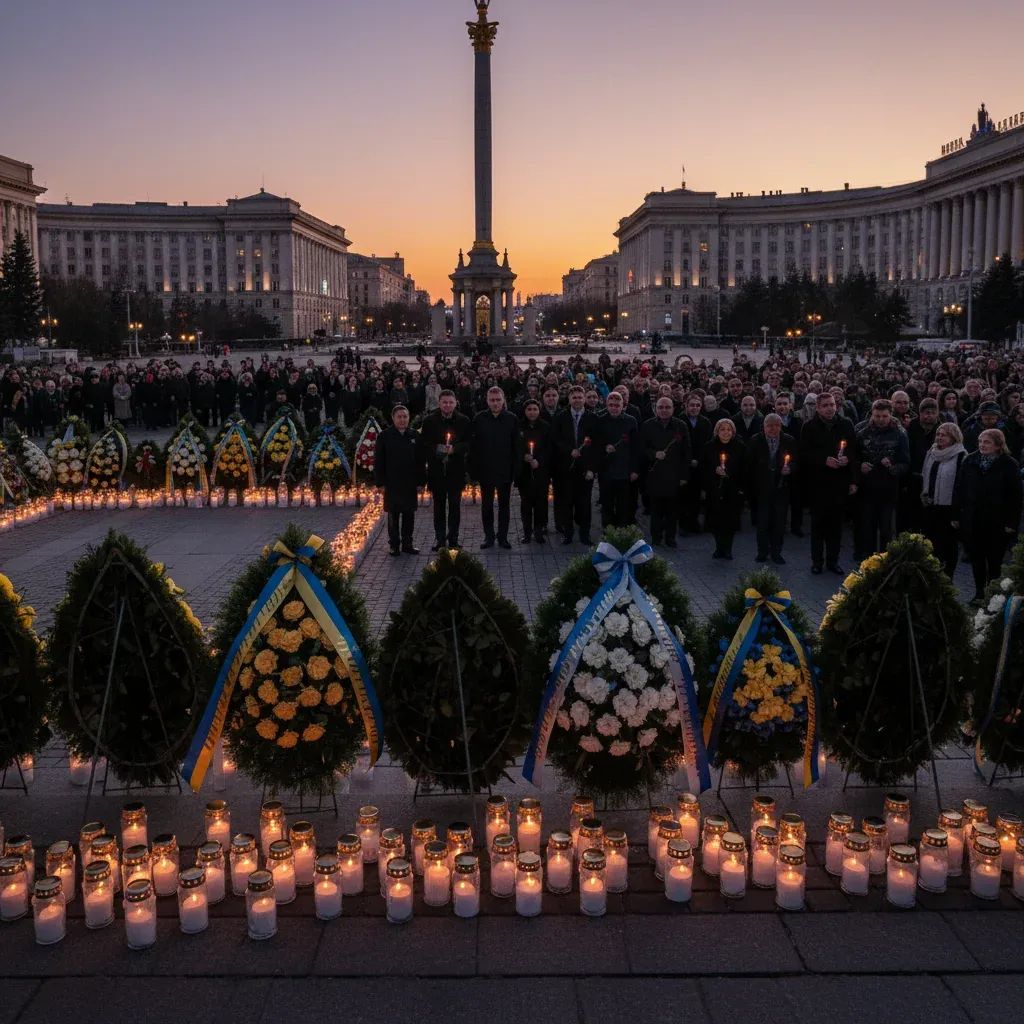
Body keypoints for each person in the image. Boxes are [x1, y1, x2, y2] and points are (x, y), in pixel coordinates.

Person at [953, 428, 1023, 605]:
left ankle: (992, 595)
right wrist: (957, 514)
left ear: (998, 445)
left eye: (987, 442)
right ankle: (978, 593)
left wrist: (1011, 523)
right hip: (973, 519)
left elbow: (1015, 497)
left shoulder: (1009, 464)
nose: (982, 445)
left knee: (994, 561)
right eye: (980, 441)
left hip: (997, 521)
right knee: (976, 559)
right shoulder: (970, 460)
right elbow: (960, 488)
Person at [799, 391, 856, 575]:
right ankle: (817, 561)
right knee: (818, 526)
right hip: (818, 484)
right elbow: (804, 453)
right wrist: (823, 460)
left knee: (835, 527)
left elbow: (854, 450)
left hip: (839, 484)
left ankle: (833, 561)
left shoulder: (846, 424)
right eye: (825, 406)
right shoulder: (809, 427)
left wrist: (847, 460)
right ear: (818, 408)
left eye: (832, 405)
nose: (830, 408)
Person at [853, 399, 910, 559]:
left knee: (886, 529)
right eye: (877, 416)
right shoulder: (861, 431)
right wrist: (860, 466)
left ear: (890, 415)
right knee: (867, 527)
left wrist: (893, 467)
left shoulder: (900, 433)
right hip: (866, 488)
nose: (880, 420)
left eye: (884, 416)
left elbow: (905, 462)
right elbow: (853, 456)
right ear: (872, 414)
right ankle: (866, 560)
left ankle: (885, 561)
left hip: (888, 489)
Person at [418, 390, 471, 550]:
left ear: (455, 403)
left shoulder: (464, 420)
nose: (447, 405)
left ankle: (453, 539)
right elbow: (424, 443)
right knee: (438, 507)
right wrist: (437, 449)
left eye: (450, 402)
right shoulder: (429, 421)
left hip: (455, 470)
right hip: (437, 471)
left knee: (455, 506)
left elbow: (468, 442)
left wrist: (455, 449)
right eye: (444, 402)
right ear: (439, 403)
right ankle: (440, 540)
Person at [744, 413, 797, 565]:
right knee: (763, 523)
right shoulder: (755, 441)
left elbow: (796, 462)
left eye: (776, 426)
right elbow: (748, 466)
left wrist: (790, 469)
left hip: (781, 488)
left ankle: (776, 552)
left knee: (779, 523)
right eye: (769, 426)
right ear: (764, 427)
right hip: (762, 489)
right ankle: (762, 552)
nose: (773, 429)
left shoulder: (789, 441)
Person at [551, 386, 600, 544]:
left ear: (584, 398)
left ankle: (585, 535)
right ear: (569, 399)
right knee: (566, 503)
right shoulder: (560, 417)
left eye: (580, 397)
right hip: (565, 468)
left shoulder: (593, 418)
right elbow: (556, 440)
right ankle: (568, 534)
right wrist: (569, 450)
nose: (577, 400)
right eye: (574, 397)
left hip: (585, 469)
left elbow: (597, 446)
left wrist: (592, 468)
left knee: (584, 503)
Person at [471, 386, 518, 549]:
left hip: (505, 470)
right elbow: (474, 447)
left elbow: (516, 447)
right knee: (487, 506)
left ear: (503, 400)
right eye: (492, 400)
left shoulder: (512, 418)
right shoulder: (479, 419)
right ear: (487, 401)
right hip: (486, 470)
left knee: (505, 506)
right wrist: (474, 471)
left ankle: (503, 537)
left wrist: (514, 471)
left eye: (498, 400)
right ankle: (489, 537)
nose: (495, 403)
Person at [641, 396, 690, 546]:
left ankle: (670, 537)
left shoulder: (680, 425)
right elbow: (641, 448)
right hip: (654, 475)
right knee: (655, 510)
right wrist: (654, 454)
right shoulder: (647, 425)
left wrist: (684, 475)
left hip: (674, 475)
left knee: (672, 510)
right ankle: (656, 538)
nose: (664, 410)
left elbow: (687, 452)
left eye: (667, 407)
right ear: (656, 409)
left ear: (673, 409)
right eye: (660, 407)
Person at [920, 422, 967, 578]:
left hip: (949, 508)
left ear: (953, 438)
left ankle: (947, 578)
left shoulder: (961, 455)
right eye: (938, 434)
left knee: (948, 545)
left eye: (943, 435)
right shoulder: (932, 452)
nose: (939, 437)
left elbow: (961, 486)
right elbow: (925, 474)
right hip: (931, 505)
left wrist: (957, 513)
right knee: (931, 544)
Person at [374, 405, 421, 556]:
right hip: (392, 482)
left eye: (405, 417)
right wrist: (380, 483)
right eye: (399, 417)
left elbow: (421, 461)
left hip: (410, 482)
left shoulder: (414, 435)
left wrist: (421, 481)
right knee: (393, 515)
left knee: (409, 514)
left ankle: (408, 543)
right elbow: (379, 461)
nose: (402, 420)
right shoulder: (384, 436)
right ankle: (394, 545)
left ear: (409, 418)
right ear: (393, 418)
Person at [702, 418, 745, 560]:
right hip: (714, 490)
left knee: (730, 521)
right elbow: (703, 467)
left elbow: (744, 468)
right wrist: (714, 470)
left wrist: (729, 473)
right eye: (722, 429)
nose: (726, 432)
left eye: (729, 429)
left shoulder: (739, 446)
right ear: (717, 431)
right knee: (716, 521)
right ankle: (719, 547)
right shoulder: (709, 446)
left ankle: (728, 549)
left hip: (732, 489)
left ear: (733, 432)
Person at [597, 391, 640, 528]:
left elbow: (636, 448)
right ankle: (608, 533)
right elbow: (595, 444)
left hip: (624, 470)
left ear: (623, 405)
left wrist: (634, 469)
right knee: (607, 505)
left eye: (617, 405)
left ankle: (622, 532)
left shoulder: (630, 421)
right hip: (606, 470)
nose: (614, 408)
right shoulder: (600, 420)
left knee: (623, 505)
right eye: (611, 405)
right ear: (607, 405)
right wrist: (604, 447)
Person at [516, 399, 552, 543]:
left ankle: (538, 531)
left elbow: (549, 448)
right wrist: (523, 456)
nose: (532, 412)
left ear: (539, 411)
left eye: (535, 409)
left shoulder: (545, 427)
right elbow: (516, 446)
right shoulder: (519, 426)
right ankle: (526, 531)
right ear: (525, 411)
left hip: (540, 471)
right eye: (529, 409)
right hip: (524, 472)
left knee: (540, 502)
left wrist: (539, 460)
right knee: (526, 503)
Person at [679, 393, 712, 535]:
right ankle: (684, 524)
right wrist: (689, 459)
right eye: (692, 405)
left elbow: (708, 444)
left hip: (700, 463)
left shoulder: (705, 422)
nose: (694, 408)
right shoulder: (680, 420)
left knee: (696, 495)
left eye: (698, 405)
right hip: (684, 463)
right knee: (683, 495)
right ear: (686, 406)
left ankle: (694, 522)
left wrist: (699, 459)